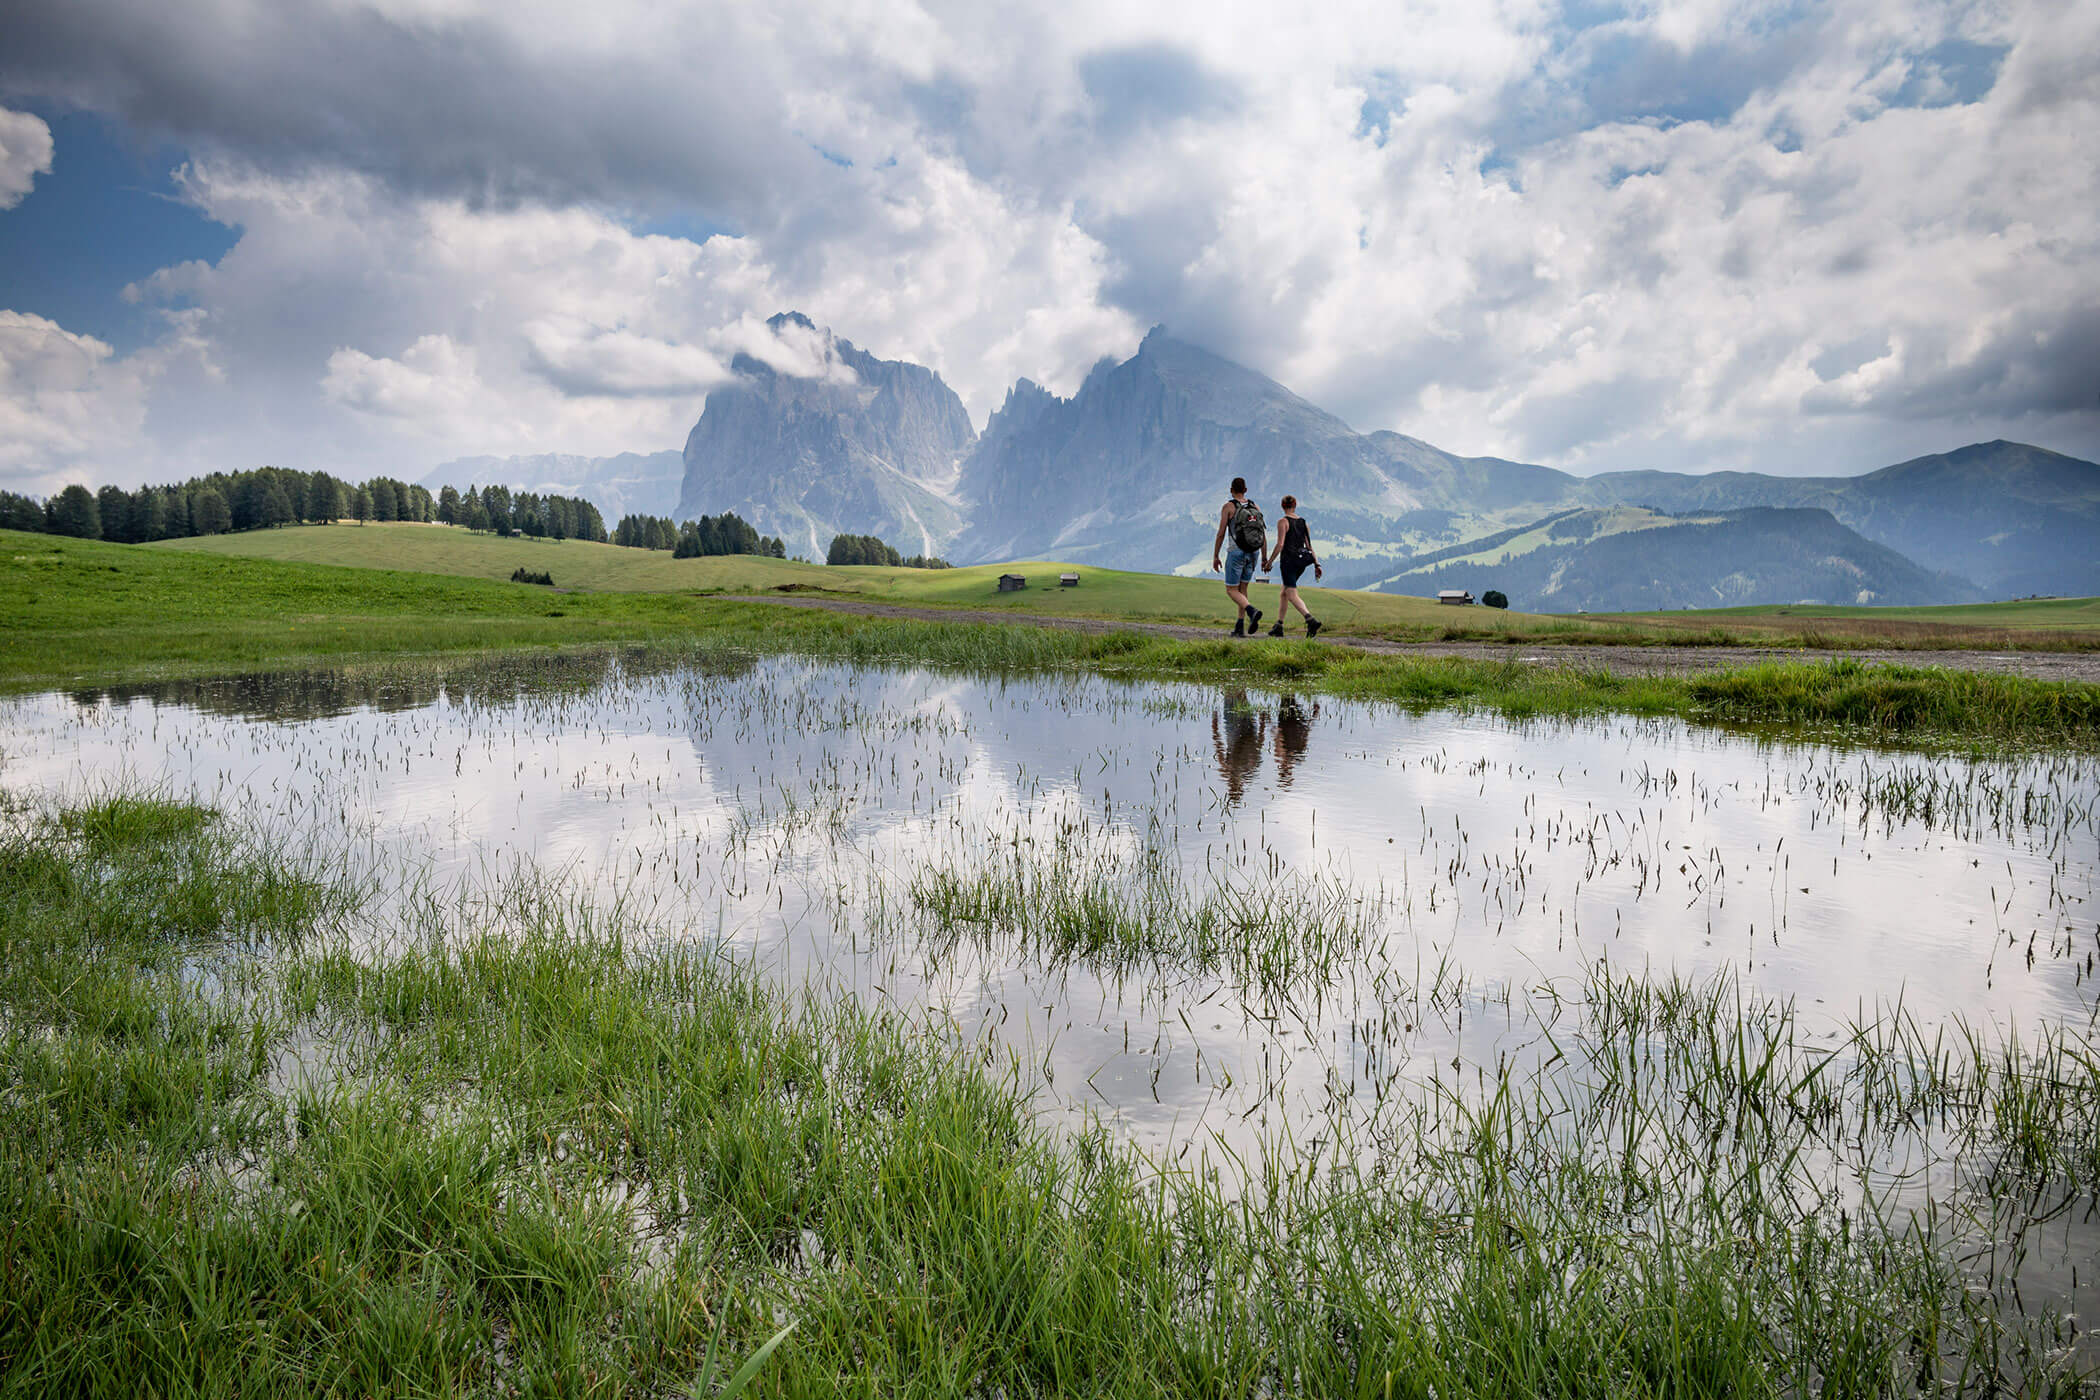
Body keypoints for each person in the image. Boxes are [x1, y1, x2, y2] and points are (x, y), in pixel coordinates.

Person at [1260, 495, 1323, 638]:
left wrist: (1269, 562)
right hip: (1301, 563)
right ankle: (1279, 626)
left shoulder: (1283, 522)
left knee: (1291, 593)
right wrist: (1316, 564)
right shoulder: (1303, 523)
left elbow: (1280, 544)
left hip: (1288, 562)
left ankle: (1310, 620)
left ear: (1282, 505)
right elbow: (1309, 546)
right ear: (1295, 505)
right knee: (1284, 592)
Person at [1210, 477, 1265, 637]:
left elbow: (1221, 533)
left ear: (1231, 490)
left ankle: (1251, 611)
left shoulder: (1228, 507)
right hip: (1253, 552)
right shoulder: (1255, 506)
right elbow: (1262, 533)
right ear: (1245, 490)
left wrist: (1215, 555)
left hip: (1236, 552)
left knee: (1231, 590)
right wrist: (1264, 556)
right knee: (1243, 589)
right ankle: (1240, 627)